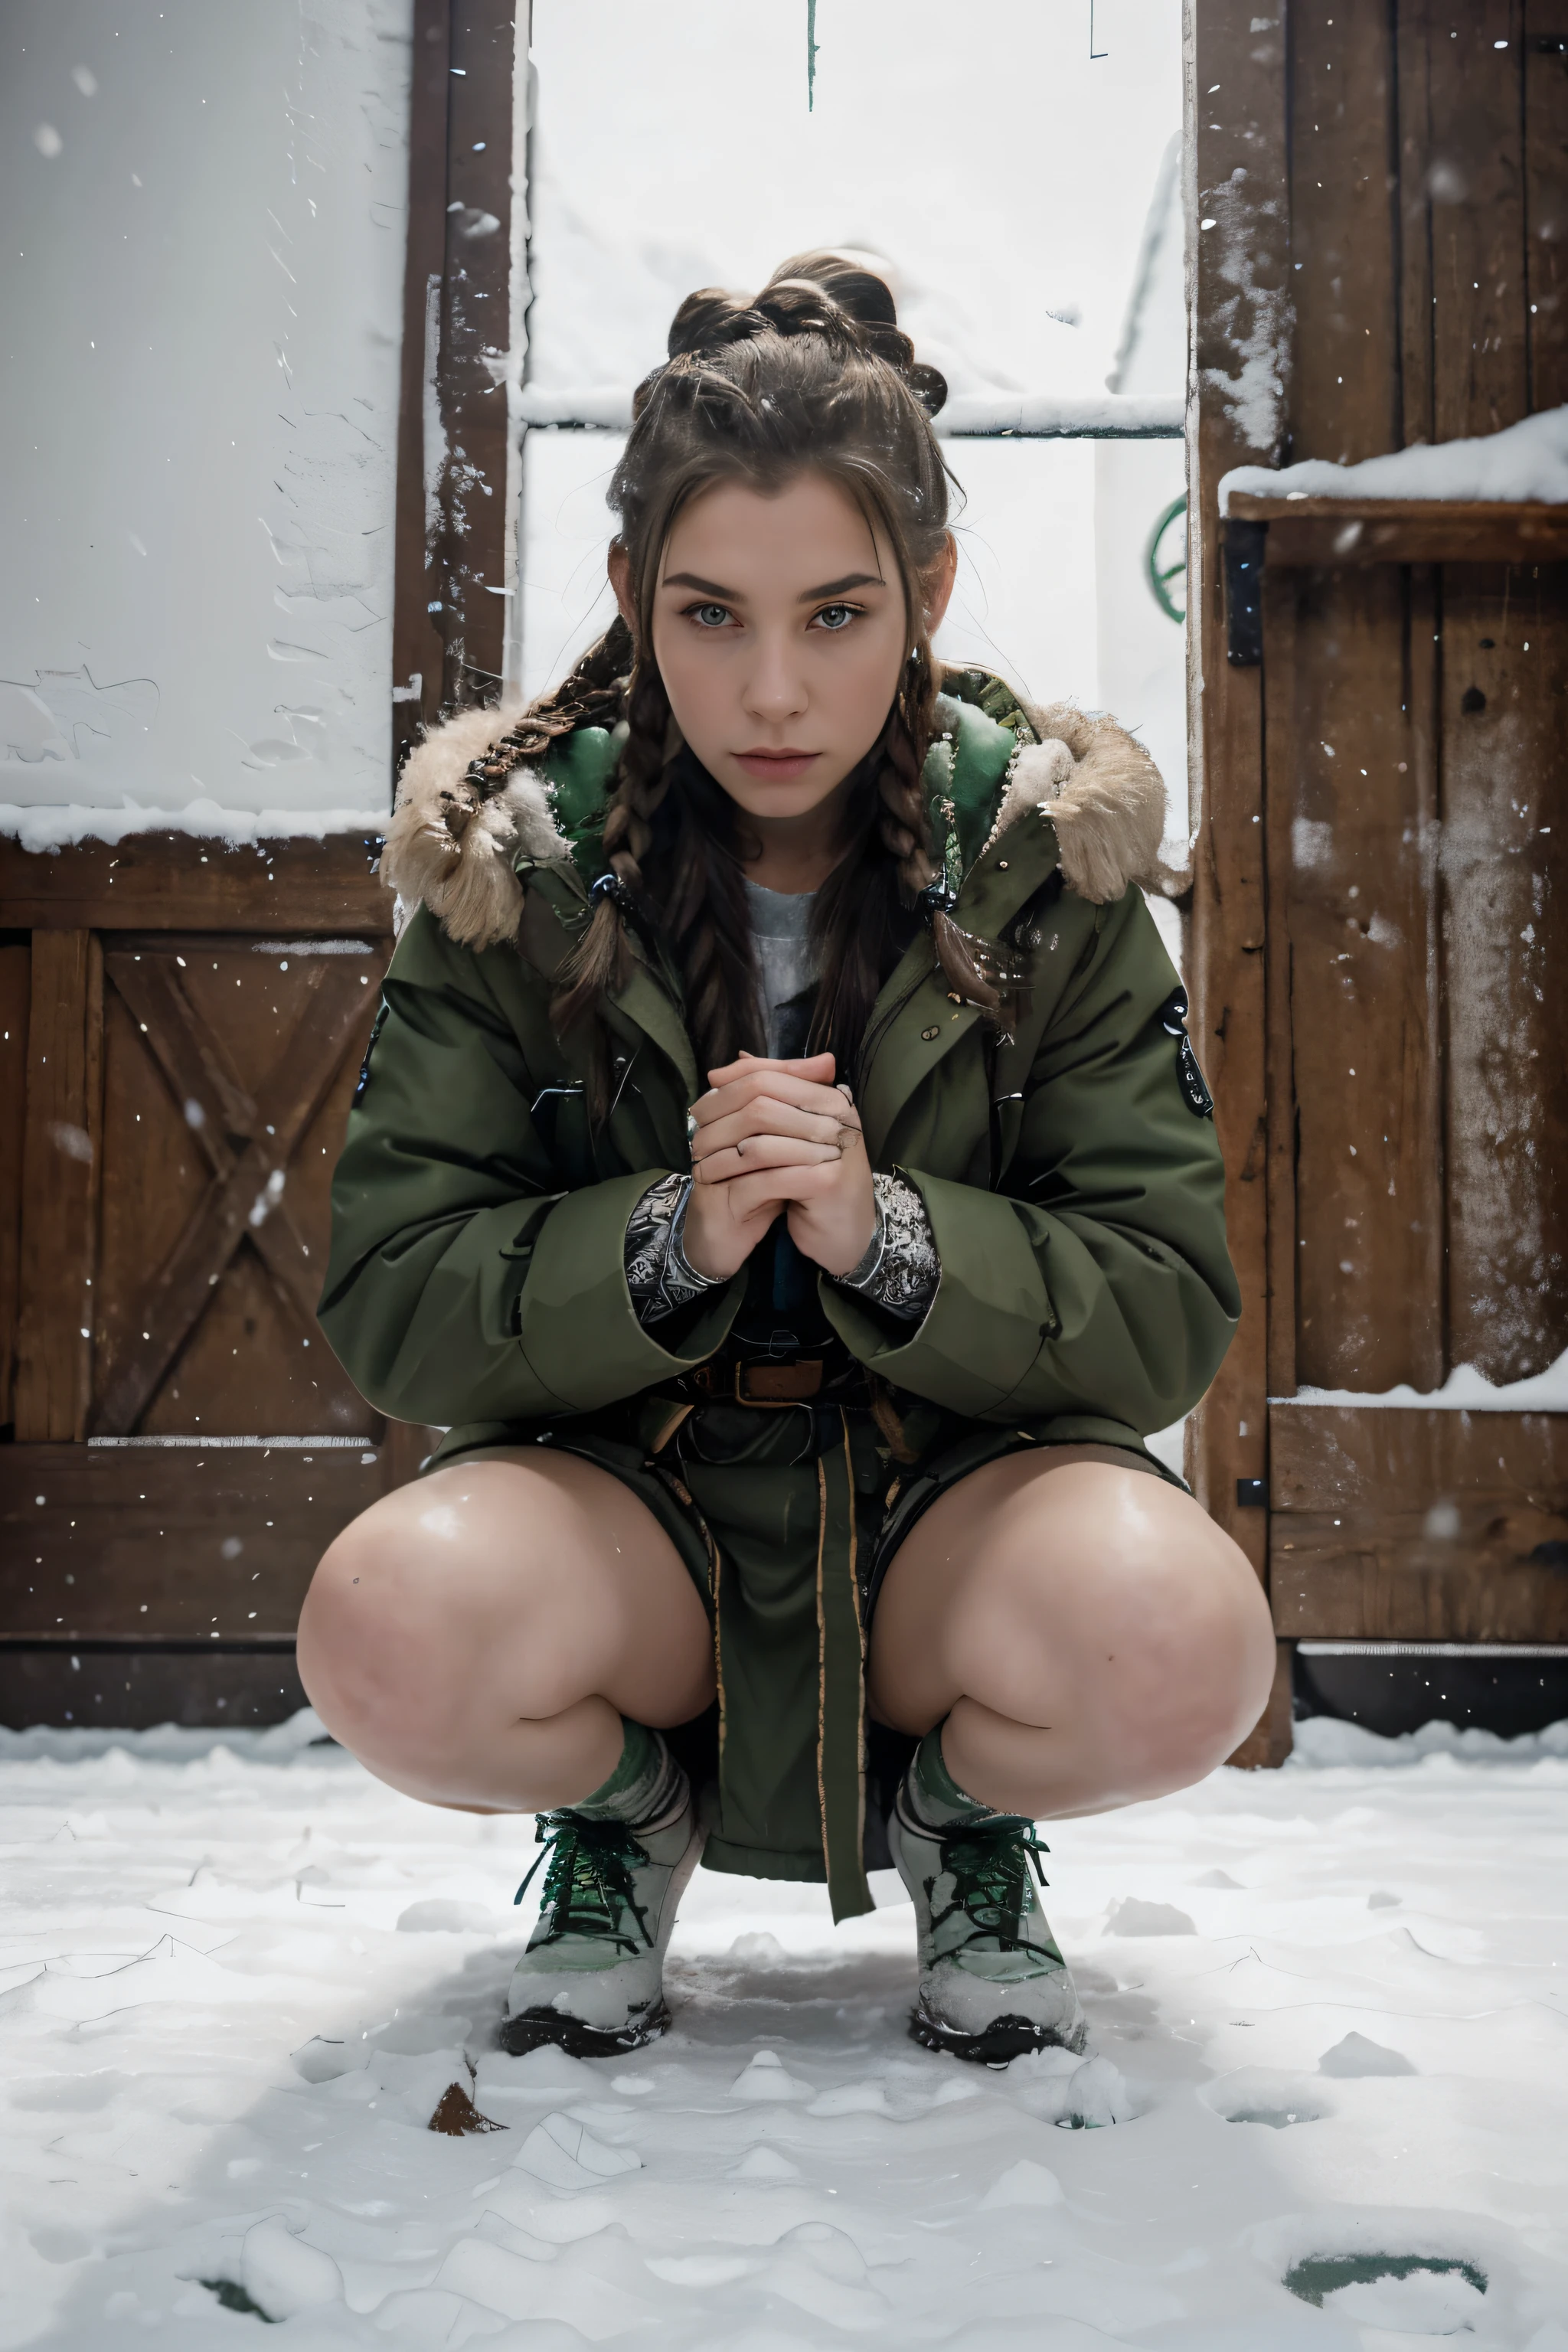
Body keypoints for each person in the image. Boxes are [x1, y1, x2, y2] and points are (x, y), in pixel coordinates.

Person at [299, 253, 1276, 2068]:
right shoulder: (507, 873)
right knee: (382, 1626)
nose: (767, 690)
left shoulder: (1044, 866)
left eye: (833, 615)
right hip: (627, 1517)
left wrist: (890, 1231)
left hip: (946, 1517)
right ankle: (618, 1821)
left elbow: (1160, 1313)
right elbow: (392, 1301)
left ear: (928, 592)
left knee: (1183, 1647)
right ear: (627, 600)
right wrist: (660, 1239)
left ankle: (965, 1828)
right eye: (708, 616)